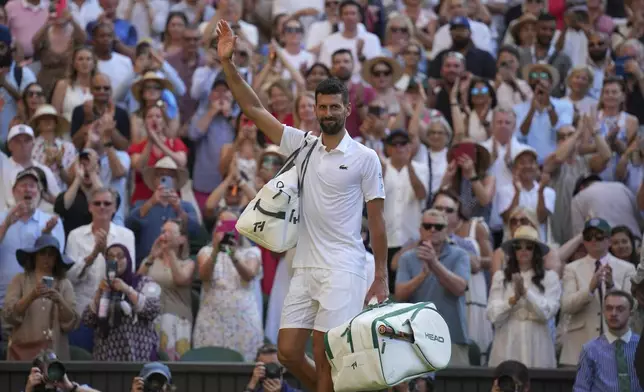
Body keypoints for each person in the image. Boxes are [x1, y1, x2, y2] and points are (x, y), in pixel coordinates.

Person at [216, 19, 388, 392]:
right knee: (289, 353)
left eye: (334, 107)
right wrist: (228, 64)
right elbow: (255, 108)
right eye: (322, 107)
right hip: (304, 265)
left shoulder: (365, 157)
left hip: (344, 267)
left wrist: (382, 276)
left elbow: (377, 221)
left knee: (323, 353)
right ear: (314, 108)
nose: (327, 113)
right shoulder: (303, 144)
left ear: (347, 108)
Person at [487, 226, 561, 368]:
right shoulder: (500, 276)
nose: (523, 251)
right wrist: (513, 300)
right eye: (518, 247)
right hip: (508, 338)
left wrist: (526, 293)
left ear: (536, 251)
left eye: (529, 247)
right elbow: (493, 315)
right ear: (512, 251)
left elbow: (547, 313)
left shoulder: (550, 277)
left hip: (537, 340)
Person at [3, 235, 78, 361]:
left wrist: (59, 300)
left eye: (51, 255)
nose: (47, 259)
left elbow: (71, 322)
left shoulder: (64, 283)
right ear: (35, 256)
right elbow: (8, 315)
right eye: (43, 253)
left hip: (55, 353)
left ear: (56, 259)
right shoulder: (20, 280)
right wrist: (31, 296)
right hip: (22, 353)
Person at [82, 244, 161, 361]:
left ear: (128, 259)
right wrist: (99, 294)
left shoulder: (143, 282)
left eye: (120, 256)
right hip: (107, 357)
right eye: (110, 257)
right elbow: (87, 320)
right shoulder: (104, 286)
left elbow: (152, 309)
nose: (115, 260)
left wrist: (127, 289)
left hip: (138, 355)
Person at [574, 290, 643, 391]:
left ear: (631, 313)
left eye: (620, 309)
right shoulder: (590, 349)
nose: (613, 313)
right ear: (604, 311)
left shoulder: (641, 346)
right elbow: (581, 388)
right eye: (609, 308)